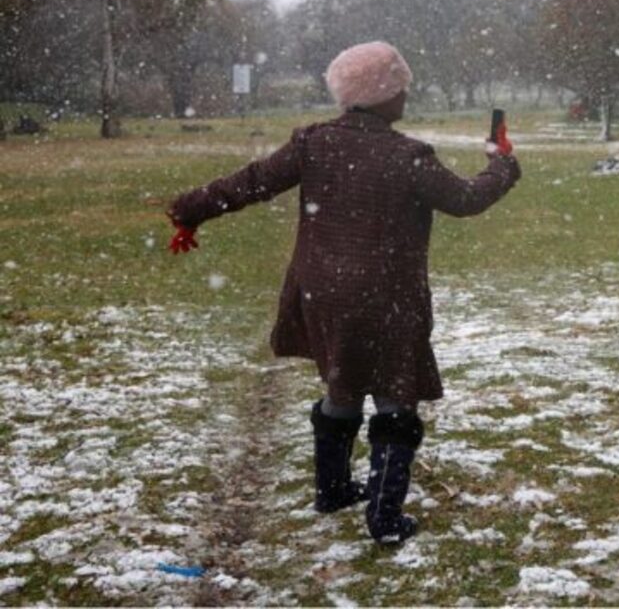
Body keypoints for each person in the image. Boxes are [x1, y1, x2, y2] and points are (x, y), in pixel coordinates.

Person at [166, 41, 520, 544]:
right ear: (379, 96)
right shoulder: (408, 157)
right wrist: (502, 166)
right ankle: (384, 516)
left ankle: (332, 488)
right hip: (387, 295)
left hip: (322, 291)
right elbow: (465, 199)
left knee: (342, 380)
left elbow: (252, 182)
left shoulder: (313, 142)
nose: (406, 96)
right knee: (396, 397)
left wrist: (190, 209)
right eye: (400, 88)